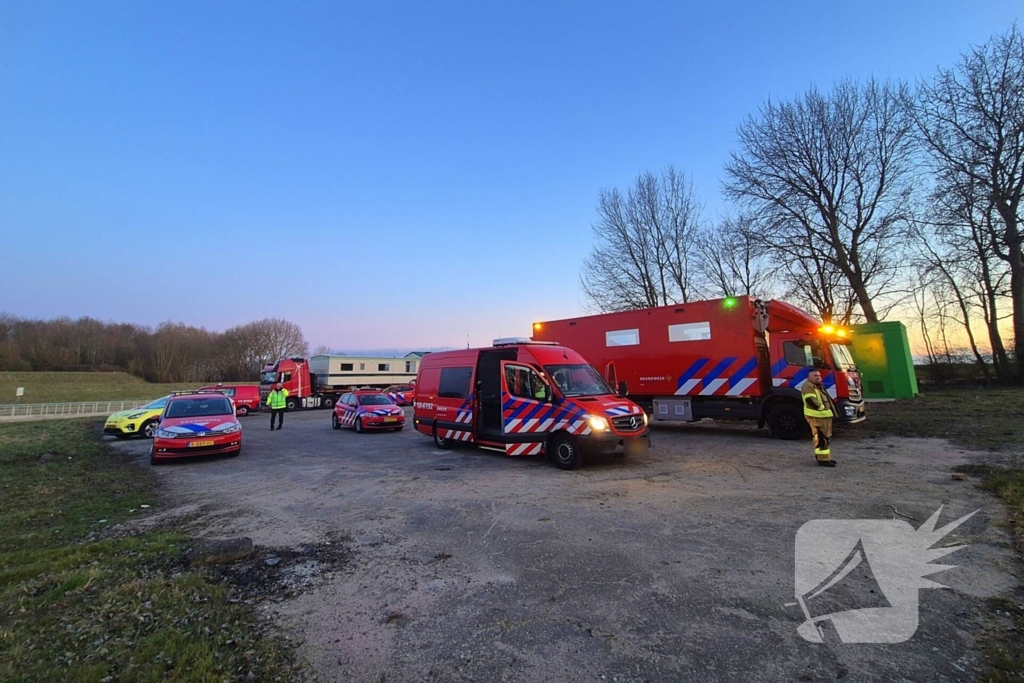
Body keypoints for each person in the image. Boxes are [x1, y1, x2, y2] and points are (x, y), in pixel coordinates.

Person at [801, 369, 837, 467]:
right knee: (821, 438)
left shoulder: (817, 386)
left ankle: (825, 457)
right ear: (809, 377)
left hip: (823, 416)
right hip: (817, 416)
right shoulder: (808, 386)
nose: (818, 377)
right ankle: (823, 460)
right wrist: (822, 408)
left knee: (825, 437)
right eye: (815, 375)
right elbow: (810, 400)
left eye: (819, 375)